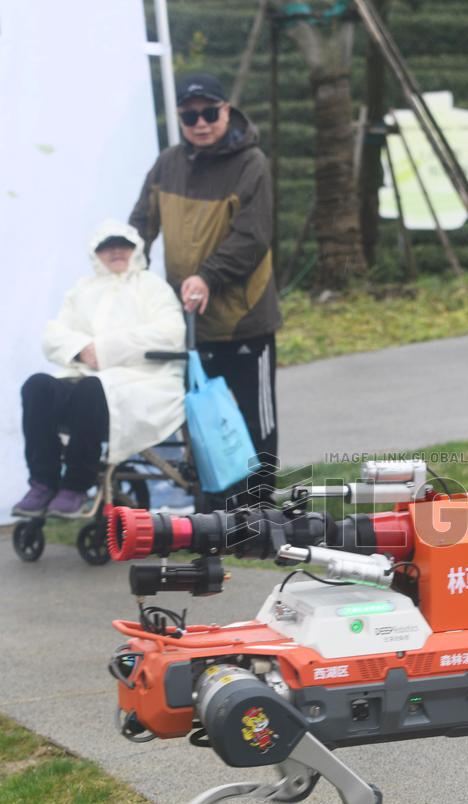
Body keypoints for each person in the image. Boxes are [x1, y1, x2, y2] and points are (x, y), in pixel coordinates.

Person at [129, 71, 282, 508]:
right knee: (200, 414)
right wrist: (126, 266)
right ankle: (212, 501)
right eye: (190, 115)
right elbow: (141, 224)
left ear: (226, 112)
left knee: (255, 417)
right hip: (189, 320)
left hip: (244, 316)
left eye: (209, 112)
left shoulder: (251, 164)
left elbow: (252, 237)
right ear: (180, 118)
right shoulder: (167, 165)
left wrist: (208, 277)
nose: (200, 122)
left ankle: (257, 503)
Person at [12, 220, 185, 519]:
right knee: (37, 386)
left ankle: (76, 486)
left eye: (123, 245)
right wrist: (82, 349)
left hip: (146, 381)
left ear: (135, 249)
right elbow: (54, 336)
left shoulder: (151, 286)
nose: (116, 251)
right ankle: (43, 482)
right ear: (97, 253)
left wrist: (105, 349)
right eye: (107, 246)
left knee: (93, 390)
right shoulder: (83, 290)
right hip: (90, 379)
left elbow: (171, 334)